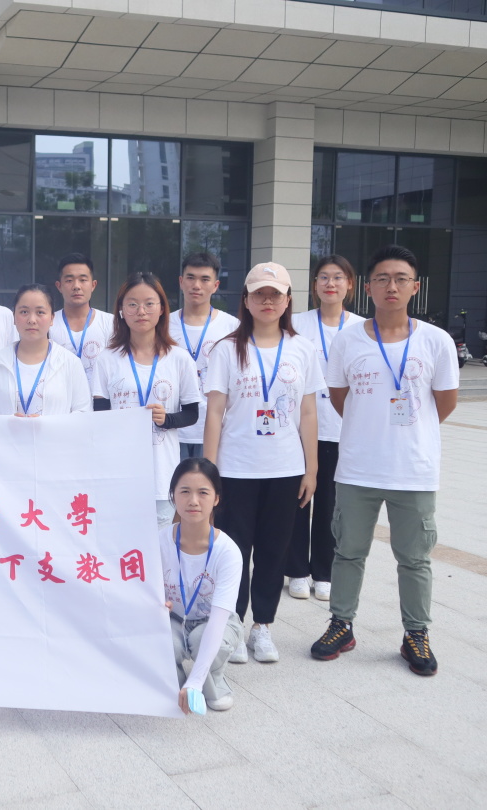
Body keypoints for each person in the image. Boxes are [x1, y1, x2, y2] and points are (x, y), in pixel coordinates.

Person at [311, 245, 459, 677]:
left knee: (414, 559)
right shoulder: (348, 340)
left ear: (415, 286)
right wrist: (371, 428)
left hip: (414, 470)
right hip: (358, 468)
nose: (391, 286)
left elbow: (444, 403)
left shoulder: (436, 340)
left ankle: (416, 633)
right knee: (348, 552)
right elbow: (340, 397)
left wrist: (408, 431)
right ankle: (341, 624)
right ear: (368, 287)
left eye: (400, 279)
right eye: (382, 278)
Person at [203, 262, 322, 664]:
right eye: (259, 294)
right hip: (236, 468)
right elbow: (215, 412)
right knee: (234, 551)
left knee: (274, 549)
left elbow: (308, 413)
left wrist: (311, 469)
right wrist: (209, 474)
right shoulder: (226, 349)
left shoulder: (303, 349)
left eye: (276, 294)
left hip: (285, 468)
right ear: (247, 300)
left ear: (288, 300)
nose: (267, 301)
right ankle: (233, 624)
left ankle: (262, 626)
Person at [92, 273, 200, 527]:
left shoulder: (179, 358)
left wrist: (166, 419)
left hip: (161, 473)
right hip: (118, 470)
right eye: (132, 304)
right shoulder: (107, 359)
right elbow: (99, 416)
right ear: (121, 310)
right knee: (119, 541)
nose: (141, 311)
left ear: (162, 309)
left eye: (149, 304)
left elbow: (192, 413)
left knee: (159, 543)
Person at [287, 256, 364, 601]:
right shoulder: (297, 323)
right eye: (323, 278)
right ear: (314, 285)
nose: (330, 284)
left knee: (331, 505)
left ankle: (323, 571)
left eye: (338, 278)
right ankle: (296, 570)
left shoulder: (362, 328)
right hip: (299, 428)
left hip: (341, 429)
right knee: (297, 500)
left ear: (350, 284)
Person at [161, 458, 243, 714]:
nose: (193, 501)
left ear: (216, 498)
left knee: (201, 640)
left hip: (213, 621)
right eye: (185, 491)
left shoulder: (228, 552)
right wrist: (155, 604)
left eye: (203, 493)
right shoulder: (158, 541)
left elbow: (219, 619)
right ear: (173, 496)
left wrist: (195, 681)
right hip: (173, 619)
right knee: (161, 640)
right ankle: (174, 681)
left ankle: (211, 681)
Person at [167, 252, 240, 458]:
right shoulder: (163, 325)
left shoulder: (232, 327)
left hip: (216, 430)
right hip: (173, 428)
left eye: (204, 279)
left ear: (215, 285)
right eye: (190, 278)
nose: (196, 285)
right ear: (181, 282)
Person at [0, 284, 90, 416]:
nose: (32, 320)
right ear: (14, 317)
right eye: (24, 312)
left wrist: (49, 425)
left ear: (52, 318)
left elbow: (83, 412)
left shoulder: (70, 362)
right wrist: (8, 423)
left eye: (40, 312)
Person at [49, 253, 114, 392]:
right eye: (69, 280)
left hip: (99, 400)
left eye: (83, 280)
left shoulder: (111, 323)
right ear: (59, 286)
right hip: (59, 399)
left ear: (93, 285)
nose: (76, 286)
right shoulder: (48, 323)